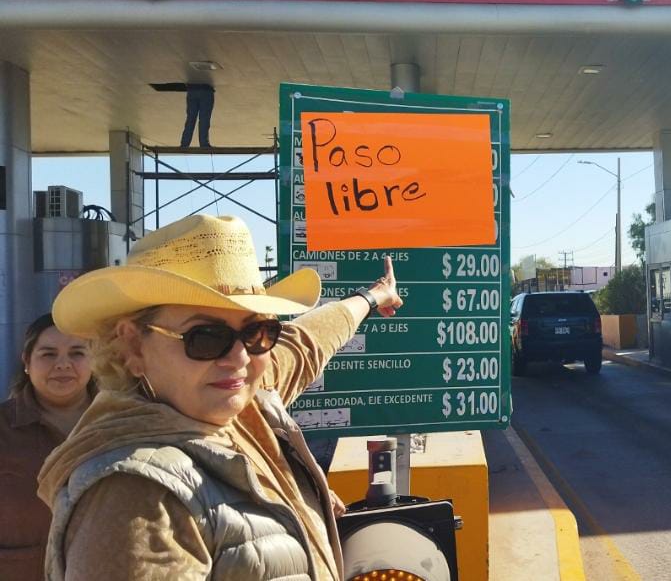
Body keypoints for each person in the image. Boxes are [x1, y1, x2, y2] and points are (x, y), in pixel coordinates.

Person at [38, 214, 403, 580]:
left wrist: (371, 297)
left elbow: (305, 343)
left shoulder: (236, 407)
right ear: (133, 345)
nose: (239, 357)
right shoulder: (136, 497)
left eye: (258, 331)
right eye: (206, 337)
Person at [0, 313, 95, 581]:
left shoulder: (120, 423)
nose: (63, 364)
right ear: (27, 362)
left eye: (77, 353)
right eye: (48, 354)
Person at [180, 83, 215, 148]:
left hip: (192, 89)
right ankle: (204, 143)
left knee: (190, 119)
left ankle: (184, 144)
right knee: (204, 120)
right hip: (206, 90)